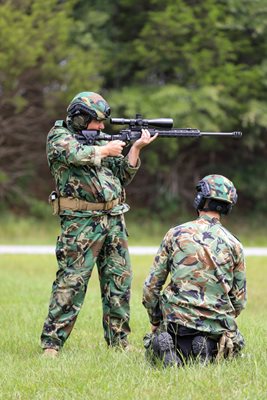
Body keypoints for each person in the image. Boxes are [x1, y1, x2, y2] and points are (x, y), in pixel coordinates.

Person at [41, 91, 157, 357]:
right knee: (72, 282)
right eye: (98, 122)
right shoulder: (59, 137)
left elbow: (122, 175)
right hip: (80, 223)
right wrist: (105, 149)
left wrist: (135, 149)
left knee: (119, 281)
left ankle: (119, 343)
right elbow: (73, 154)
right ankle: (52, 344)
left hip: (114, 219)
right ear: (81, 119)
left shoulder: (103, 141)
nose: (103, 127)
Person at [142, 174, 247, 367]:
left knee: (155, 342)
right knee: (235, 344)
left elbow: (150, 289)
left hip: (176, 323)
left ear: (200, 199)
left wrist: (155, 320)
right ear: (228, 206)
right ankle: (206, 347)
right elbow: (239, 302)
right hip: (214, 326)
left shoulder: (176, 233)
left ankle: (167, 347)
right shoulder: (235, 244)